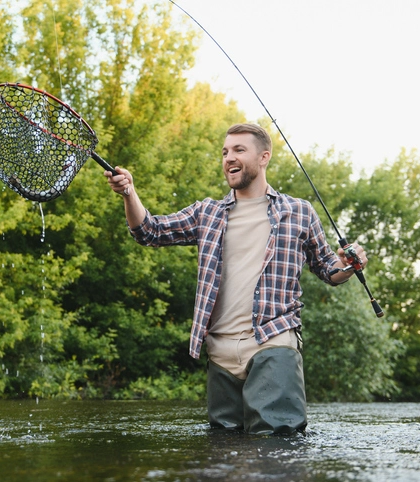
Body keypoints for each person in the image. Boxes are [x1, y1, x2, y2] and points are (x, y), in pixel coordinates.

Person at [104, 123, 368, 435]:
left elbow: (329, 269)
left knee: (275, 445)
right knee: (223, 449)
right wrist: (129, 193)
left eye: (239, 150)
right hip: (220, 351)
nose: (229, 157)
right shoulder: (208, 212)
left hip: (274, 340)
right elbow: (149, 231)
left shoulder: (299, 211)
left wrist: (350, 265)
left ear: (263, 157)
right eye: (225, 152)